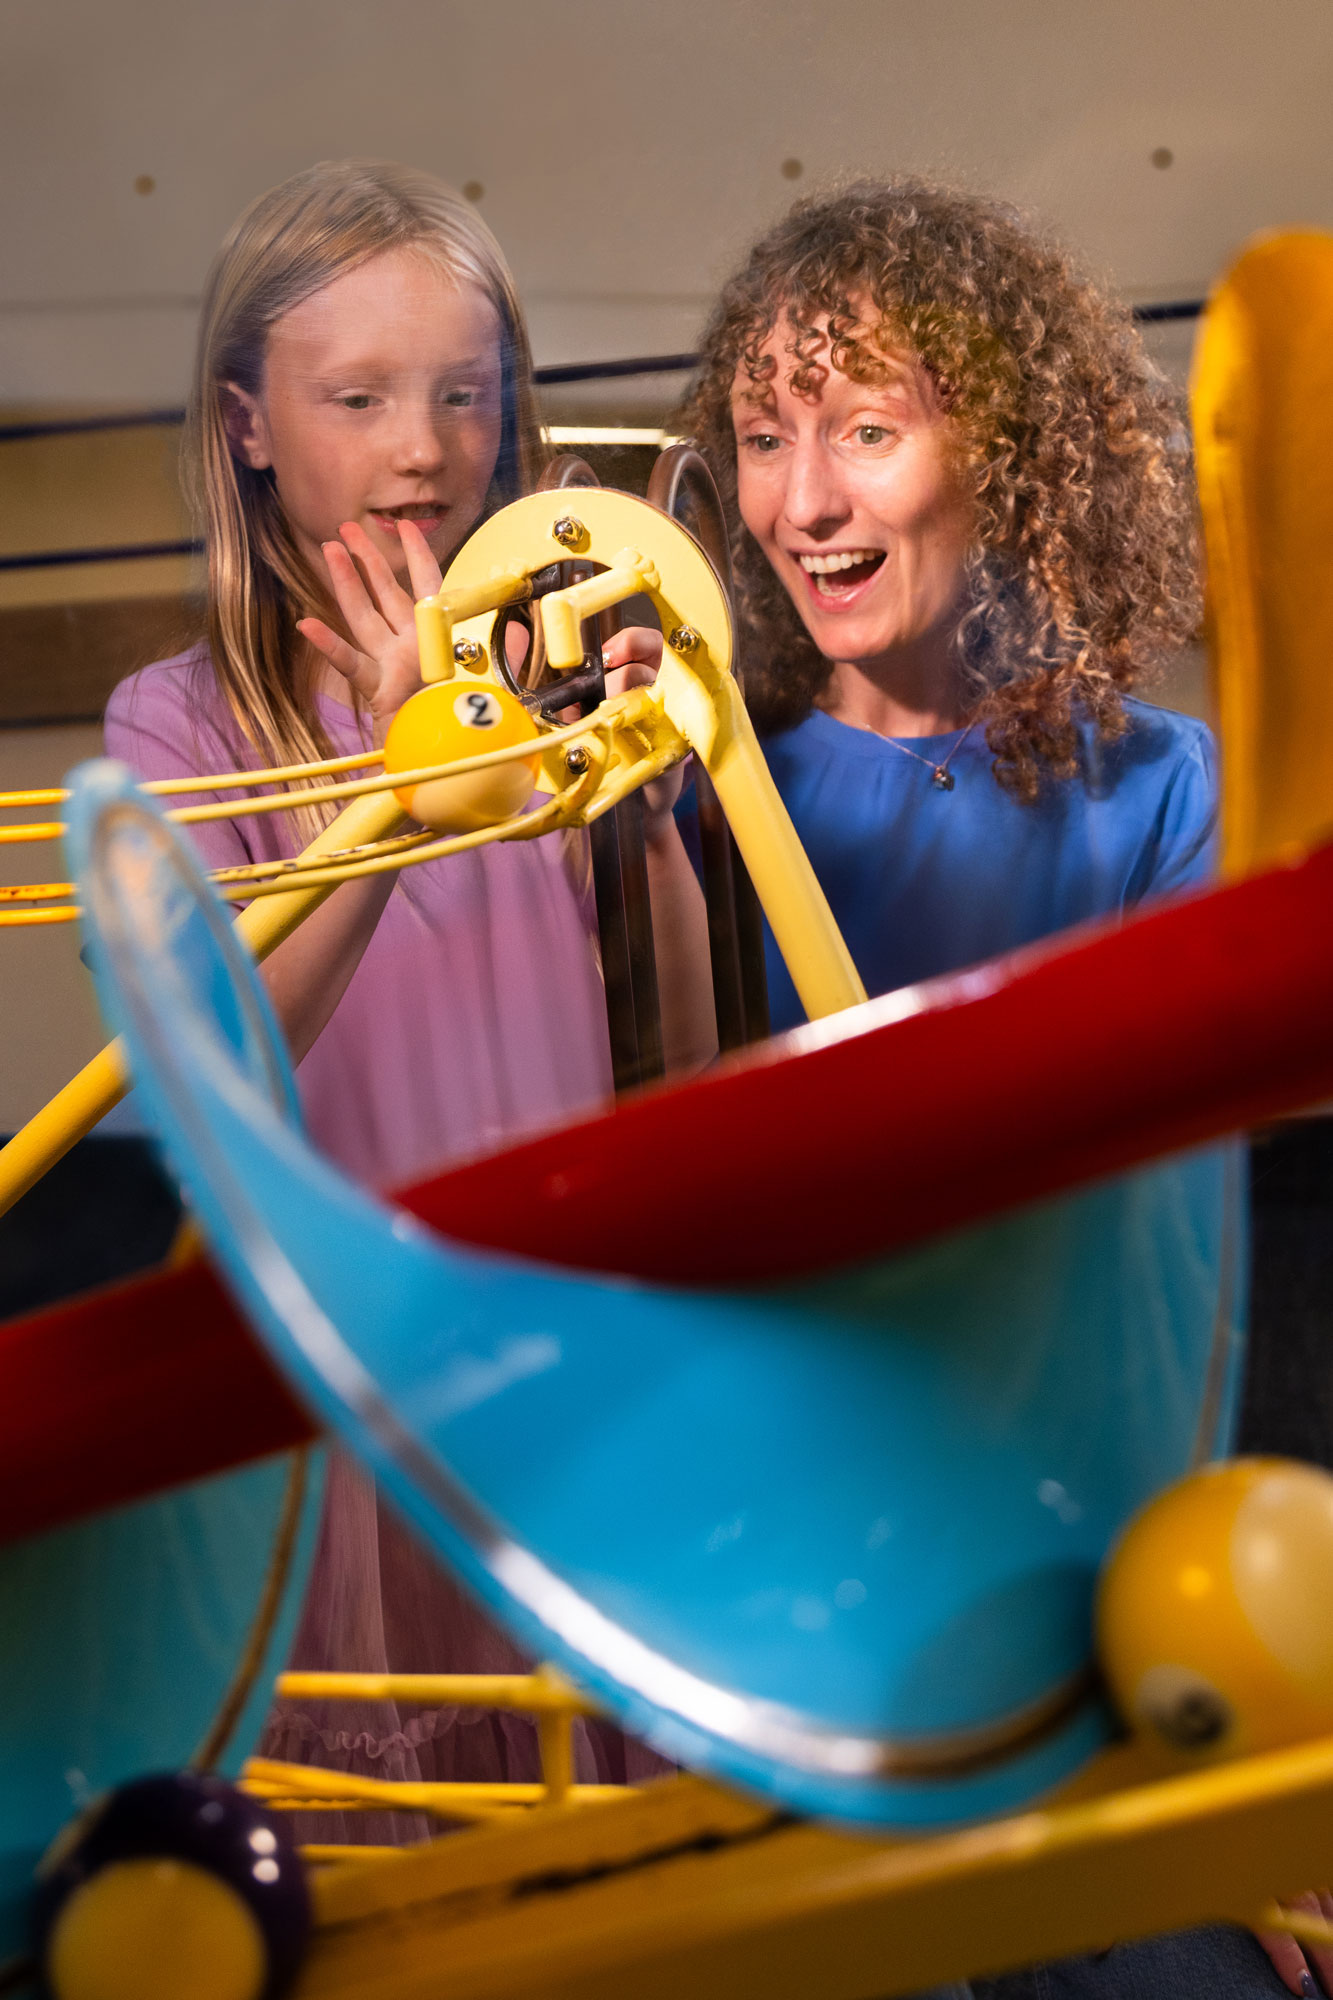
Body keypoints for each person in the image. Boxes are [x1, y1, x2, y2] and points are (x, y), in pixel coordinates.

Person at [603, 176, 1317, 1996]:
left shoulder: (1168, 795)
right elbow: (685, 1189)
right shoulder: (705, 808)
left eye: (862, 430)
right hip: (807, 1603)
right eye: (763, 441)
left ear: (1001, 453)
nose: (800, 502)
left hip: (1099, 1585)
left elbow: (1147, 1254)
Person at [105, 159, 700, 1826]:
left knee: (605, 1840)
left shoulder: (562, 673)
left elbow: (684, 1055)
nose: (422, 447)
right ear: (248, 425)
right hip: (341, 1391)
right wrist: (391, 778)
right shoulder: (177, 725)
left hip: (562, 1360)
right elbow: (215, 1054)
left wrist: (640, 804)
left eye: (462, 395)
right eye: (357, 397)